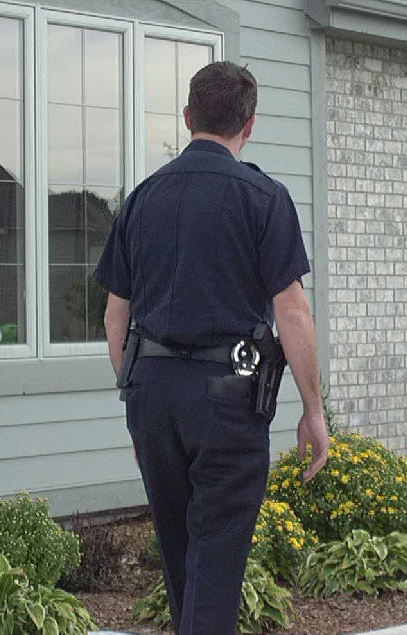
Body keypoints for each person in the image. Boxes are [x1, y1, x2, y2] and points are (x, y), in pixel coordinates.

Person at [94, 61, 328, 634]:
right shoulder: (264, 198)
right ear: (248, 125)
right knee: (216, 563)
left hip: (151, 394)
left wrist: (137, 406)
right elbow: (292, 310)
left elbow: (114, 315)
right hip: (227, 398)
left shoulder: (141, 199)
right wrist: (314, 411)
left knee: (182, 560)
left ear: (187, 116)